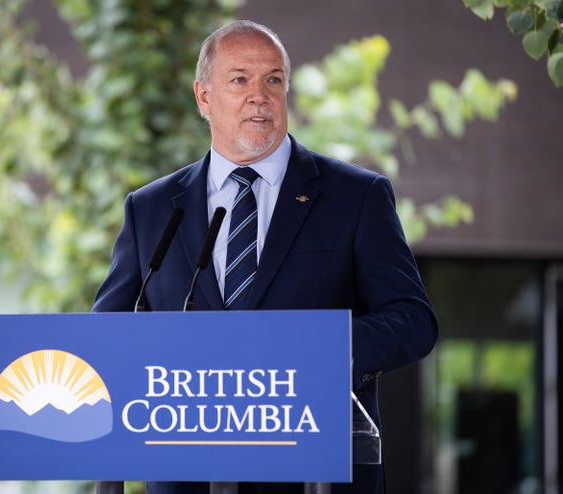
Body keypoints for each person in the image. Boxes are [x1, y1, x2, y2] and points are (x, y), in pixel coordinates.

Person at [92, 19, 438, 494]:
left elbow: (413, 321)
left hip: (316, 474)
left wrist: (318, 349)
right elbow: (106, 340)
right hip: (188, 477)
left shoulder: (356, 197)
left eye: (273, 80)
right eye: (240, 80)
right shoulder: (151, 210)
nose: (260, 95)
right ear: (203, 98)